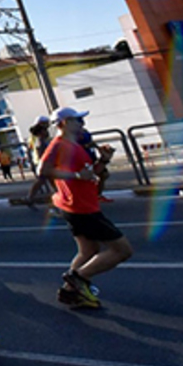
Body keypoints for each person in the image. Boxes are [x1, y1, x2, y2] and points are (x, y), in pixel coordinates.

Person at [37, 106, 133, 309]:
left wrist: (103, 160)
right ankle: (77, 278)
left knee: (88, 251)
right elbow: (42, 170)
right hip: (80, 207)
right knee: (122, 250)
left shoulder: (75, 145)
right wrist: (77, 176)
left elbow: (90, 173)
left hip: (80, 204)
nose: (82, 123)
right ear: (63, 123)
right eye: (77, 120)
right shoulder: (58, 144)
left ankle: (70, 292)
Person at [25, 117, 54, 207]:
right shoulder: (38, 139)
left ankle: (30, 198)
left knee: (44, 180)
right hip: (41, 161)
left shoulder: (40, 138)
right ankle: (30, 198)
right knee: (43, 180)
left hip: (42, 161)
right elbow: (38, 150)